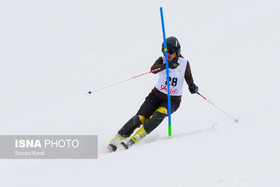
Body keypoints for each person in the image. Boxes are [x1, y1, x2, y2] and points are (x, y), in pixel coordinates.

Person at [108, 36, 198, 151]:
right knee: (140, 118)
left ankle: (135, 138)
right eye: (165, 51)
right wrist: (166, 65)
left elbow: (189, 78)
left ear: (177, 51)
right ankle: (117, 139)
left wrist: (192, 86)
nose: (168, 54)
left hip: (173, 100)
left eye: (171, 51)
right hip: (155, 96)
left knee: (159, 114)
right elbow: (153, 70)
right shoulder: (162, 60)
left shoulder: (184, 63)